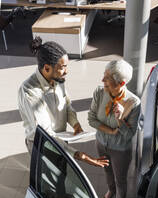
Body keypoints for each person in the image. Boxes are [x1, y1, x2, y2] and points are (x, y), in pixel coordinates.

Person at [18, 36, 109, 169]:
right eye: (62, 67)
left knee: (63, 173)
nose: (66, 71)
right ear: (47, 68)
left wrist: (75, 124)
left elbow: (66, 104)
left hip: (61, 139)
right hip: (43, 144)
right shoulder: (29, 91)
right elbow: (46, 134)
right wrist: (80, 155)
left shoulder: (57, 79)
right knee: (50, 183)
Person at [88, 59, 141, 198]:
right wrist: (111, 130)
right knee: (107, 171)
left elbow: (128, 135)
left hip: (120, 149)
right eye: (104, 75)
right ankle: (111, 192)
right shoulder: (99, 91)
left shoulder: (133, 103)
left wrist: (120, 120)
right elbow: (91, 120)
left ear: (121, 83)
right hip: (101, 143)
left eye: (107, 78)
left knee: (120, 179)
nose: (102, 80)